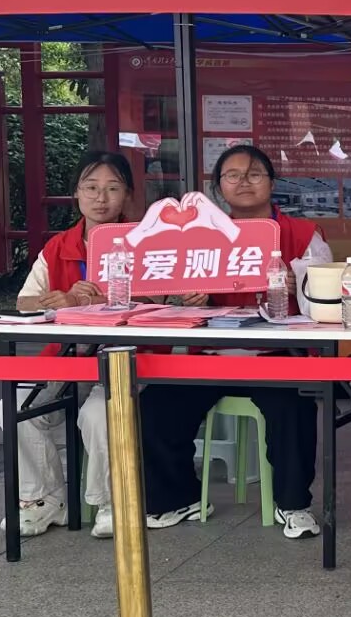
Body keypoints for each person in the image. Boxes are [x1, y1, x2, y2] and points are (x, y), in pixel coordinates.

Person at [137, 144, 331, 536]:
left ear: (272, 183)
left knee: (293, 406)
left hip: (277, 353)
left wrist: (300, 285)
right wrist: (191, 298)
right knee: (155, 404)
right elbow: (174, 297)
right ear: (218, 187)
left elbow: (327, 300)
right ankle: (179, 497)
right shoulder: (199, 236)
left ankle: (293, 504)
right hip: (211, 353)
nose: (244, 182)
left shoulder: (302, 234)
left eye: (254, 174)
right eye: (233, 175)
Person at [0, 151, 133, 537]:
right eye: (91, 188)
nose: (101, 198)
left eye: (112, 188)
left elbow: (161, 301)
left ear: (128, 195)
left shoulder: (143, 241)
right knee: (14, 408)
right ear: (76, 193)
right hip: (68, 357)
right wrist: (59, 299)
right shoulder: (59, 246)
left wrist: (100, 300)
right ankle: (45, 499)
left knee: (98, 413)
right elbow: (24, 301)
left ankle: (110, 502)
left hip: (128, 359)